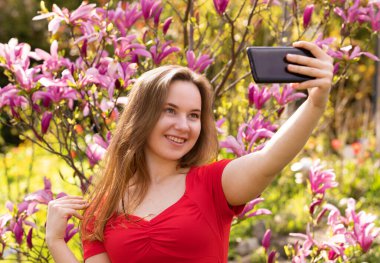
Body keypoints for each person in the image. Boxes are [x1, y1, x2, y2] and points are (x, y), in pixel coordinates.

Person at [45, 41, 333, 263]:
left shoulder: (214, 185)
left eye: (194, 115)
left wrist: (316, 103)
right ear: (141, 115)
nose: (183, 126)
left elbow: (270, 158)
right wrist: (56, 242)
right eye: (170, 110)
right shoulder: (102, 209)